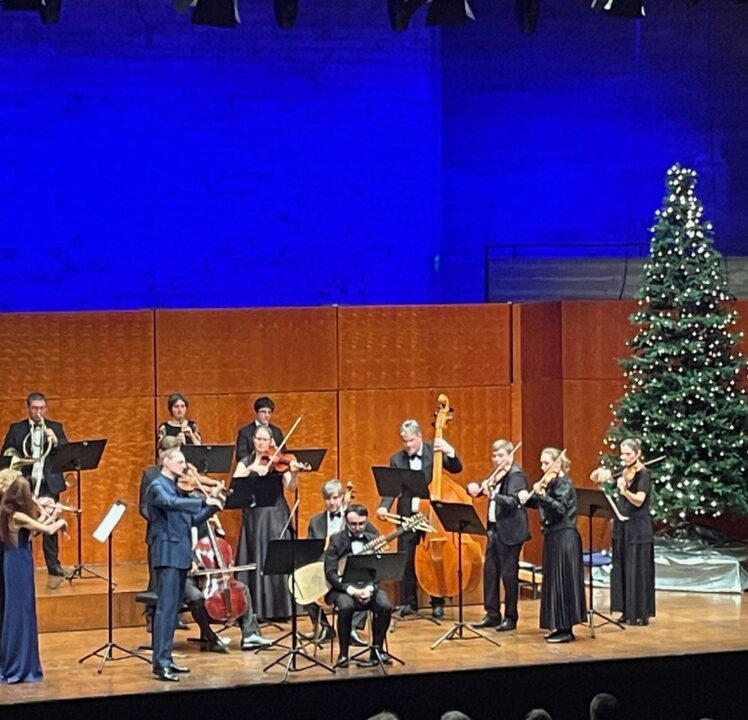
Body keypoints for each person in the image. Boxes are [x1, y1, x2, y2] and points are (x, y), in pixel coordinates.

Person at [145, 448, 223, 681]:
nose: (184, 465)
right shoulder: (157, 486)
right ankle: (160, 663)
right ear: (166, 463)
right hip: (167, 553)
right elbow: (169, 503)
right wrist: (201, 500)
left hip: (180, 554)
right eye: (179, 461)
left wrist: (211, 507)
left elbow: (192, 520)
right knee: (166, 611)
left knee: (173, 610)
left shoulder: (178, 489)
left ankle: (167, 658)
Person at [377, 418, 463, 618]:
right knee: (406, 558)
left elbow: (457, 468)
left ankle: (437, 601)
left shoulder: (435, 452)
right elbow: (392, 488)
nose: (407, 445)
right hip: (408, 514)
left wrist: (450, 451)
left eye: (411, 441)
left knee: (435, 558)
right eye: (404, 441)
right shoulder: (396, 459)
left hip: (431, 515)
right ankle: (409, 602)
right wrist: (383, 507)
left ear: (420, 437)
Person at [0, 473, 67, 683]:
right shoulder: (15, 516)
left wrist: (53, 513)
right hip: (17, 565)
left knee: (25, 610)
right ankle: (16, 665)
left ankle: (23, 661)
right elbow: (46, 529)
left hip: (20, 562)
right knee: (18, 612)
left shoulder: (13, 512)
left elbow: (35, 530)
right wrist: (60, 521)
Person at [234, 424, 301, 624]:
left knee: (275, 556)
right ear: (253, 440)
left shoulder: (278, 462)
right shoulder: (245, 463)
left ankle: (280, 608)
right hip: (255, 517)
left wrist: (295, 473)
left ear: (272, 441)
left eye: (265, 439)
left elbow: (291, 487)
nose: (262, 443)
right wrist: (251, 470)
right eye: (258, 439)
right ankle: (254, 609)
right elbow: (236, 486)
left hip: (276, 515)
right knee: (256, 556)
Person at [519, 447, 586, 643]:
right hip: (554, 537)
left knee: (563, 581)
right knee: (554, 582)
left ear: (557, 463)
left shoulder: (564, 483)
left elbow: (559, 508)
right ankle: (559, 626)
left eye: (546, 463)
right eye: (541, 463)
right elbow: (544, 504)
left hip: (565, 538)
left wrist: (541, 496)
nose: (542, 467)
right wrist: (527, 499)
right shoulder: (552, 483)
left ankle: (567, 629)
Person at [2, 392, 69, 583]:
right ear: (28, 408)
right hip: (25, 483)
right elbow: (7, 454)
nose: (38, 412)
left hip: (48, 482)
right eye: (34, 408)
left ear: (46, 408)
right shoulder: (17, 429)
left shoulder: (56, 427)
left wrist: (55, 441)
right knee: (23, 525)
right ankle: (20, 561)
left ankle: (54, 565)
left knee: (50, 518)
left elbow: (65, 454)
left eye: (41, 408)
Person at [590, 438, 655, 626]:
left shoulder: (644, 474)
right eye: (623, 453)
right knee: (623, 568)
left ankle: (640, 613)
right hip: (622, 526)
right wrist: (601, 472)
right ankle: (626, 610)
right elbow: (593, 477)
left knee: (637, 570)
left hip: (638, 527)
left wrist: (624, 490)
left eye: (628, 454)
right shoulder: (624, 471)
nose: (624, 457)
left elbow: (639, 500)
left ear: (638, 453)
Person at [468, 439, 530, 631]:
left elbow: (512, 502)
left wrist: (493, 495)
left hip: (510, 532)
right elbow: (487, 490)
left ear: (510, 456)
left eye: (501, 455)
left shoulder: (516, 475)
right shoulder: (498, 474)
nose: (496, 460)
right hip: (494, 529)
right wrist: (476, 489)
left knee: (509, 575)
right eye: (494, 456)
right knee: (491, 572)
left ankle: (511, 617)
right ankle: (492, 613)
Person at [324, 504, 392, 668]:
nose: (358, 528)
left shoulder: (373, 537)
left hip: (369, 587)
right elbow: (330, 573)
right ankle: (344, 654)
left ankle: (377, 650)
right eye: (353, 524)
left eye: (361, 523)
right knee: (346, 607)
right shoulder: (336, 539)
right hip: (343, 588)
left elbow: (379, 570)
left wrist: (369, 589)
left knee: (385, 606)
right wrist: (352, 591)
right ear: (346, 522)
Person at [302, 479, 368, 646]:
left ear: (342, 498)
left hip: (349, 568)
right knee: (301, 584)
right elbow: (310, 549)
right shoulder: (316, 522)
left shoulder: (353, 518)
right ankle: (324, 627)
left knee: (368, 581)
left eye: (335, 498)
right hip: (325, 566)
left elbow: (372, 536)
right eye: (327, 498)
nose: (331, 502)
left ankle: (352, 628)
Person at [235, 396, 283, 462]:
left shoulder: (277, 431)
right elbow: (240, 455)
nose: (267, 415)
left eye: (269, 412)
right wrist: (261, 459)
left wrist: (276, 449)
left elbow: (283, 452)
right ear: (257, 412)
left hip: (274, 469)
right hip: (253, 468)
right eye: (263, 412)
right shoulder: (245, 432)